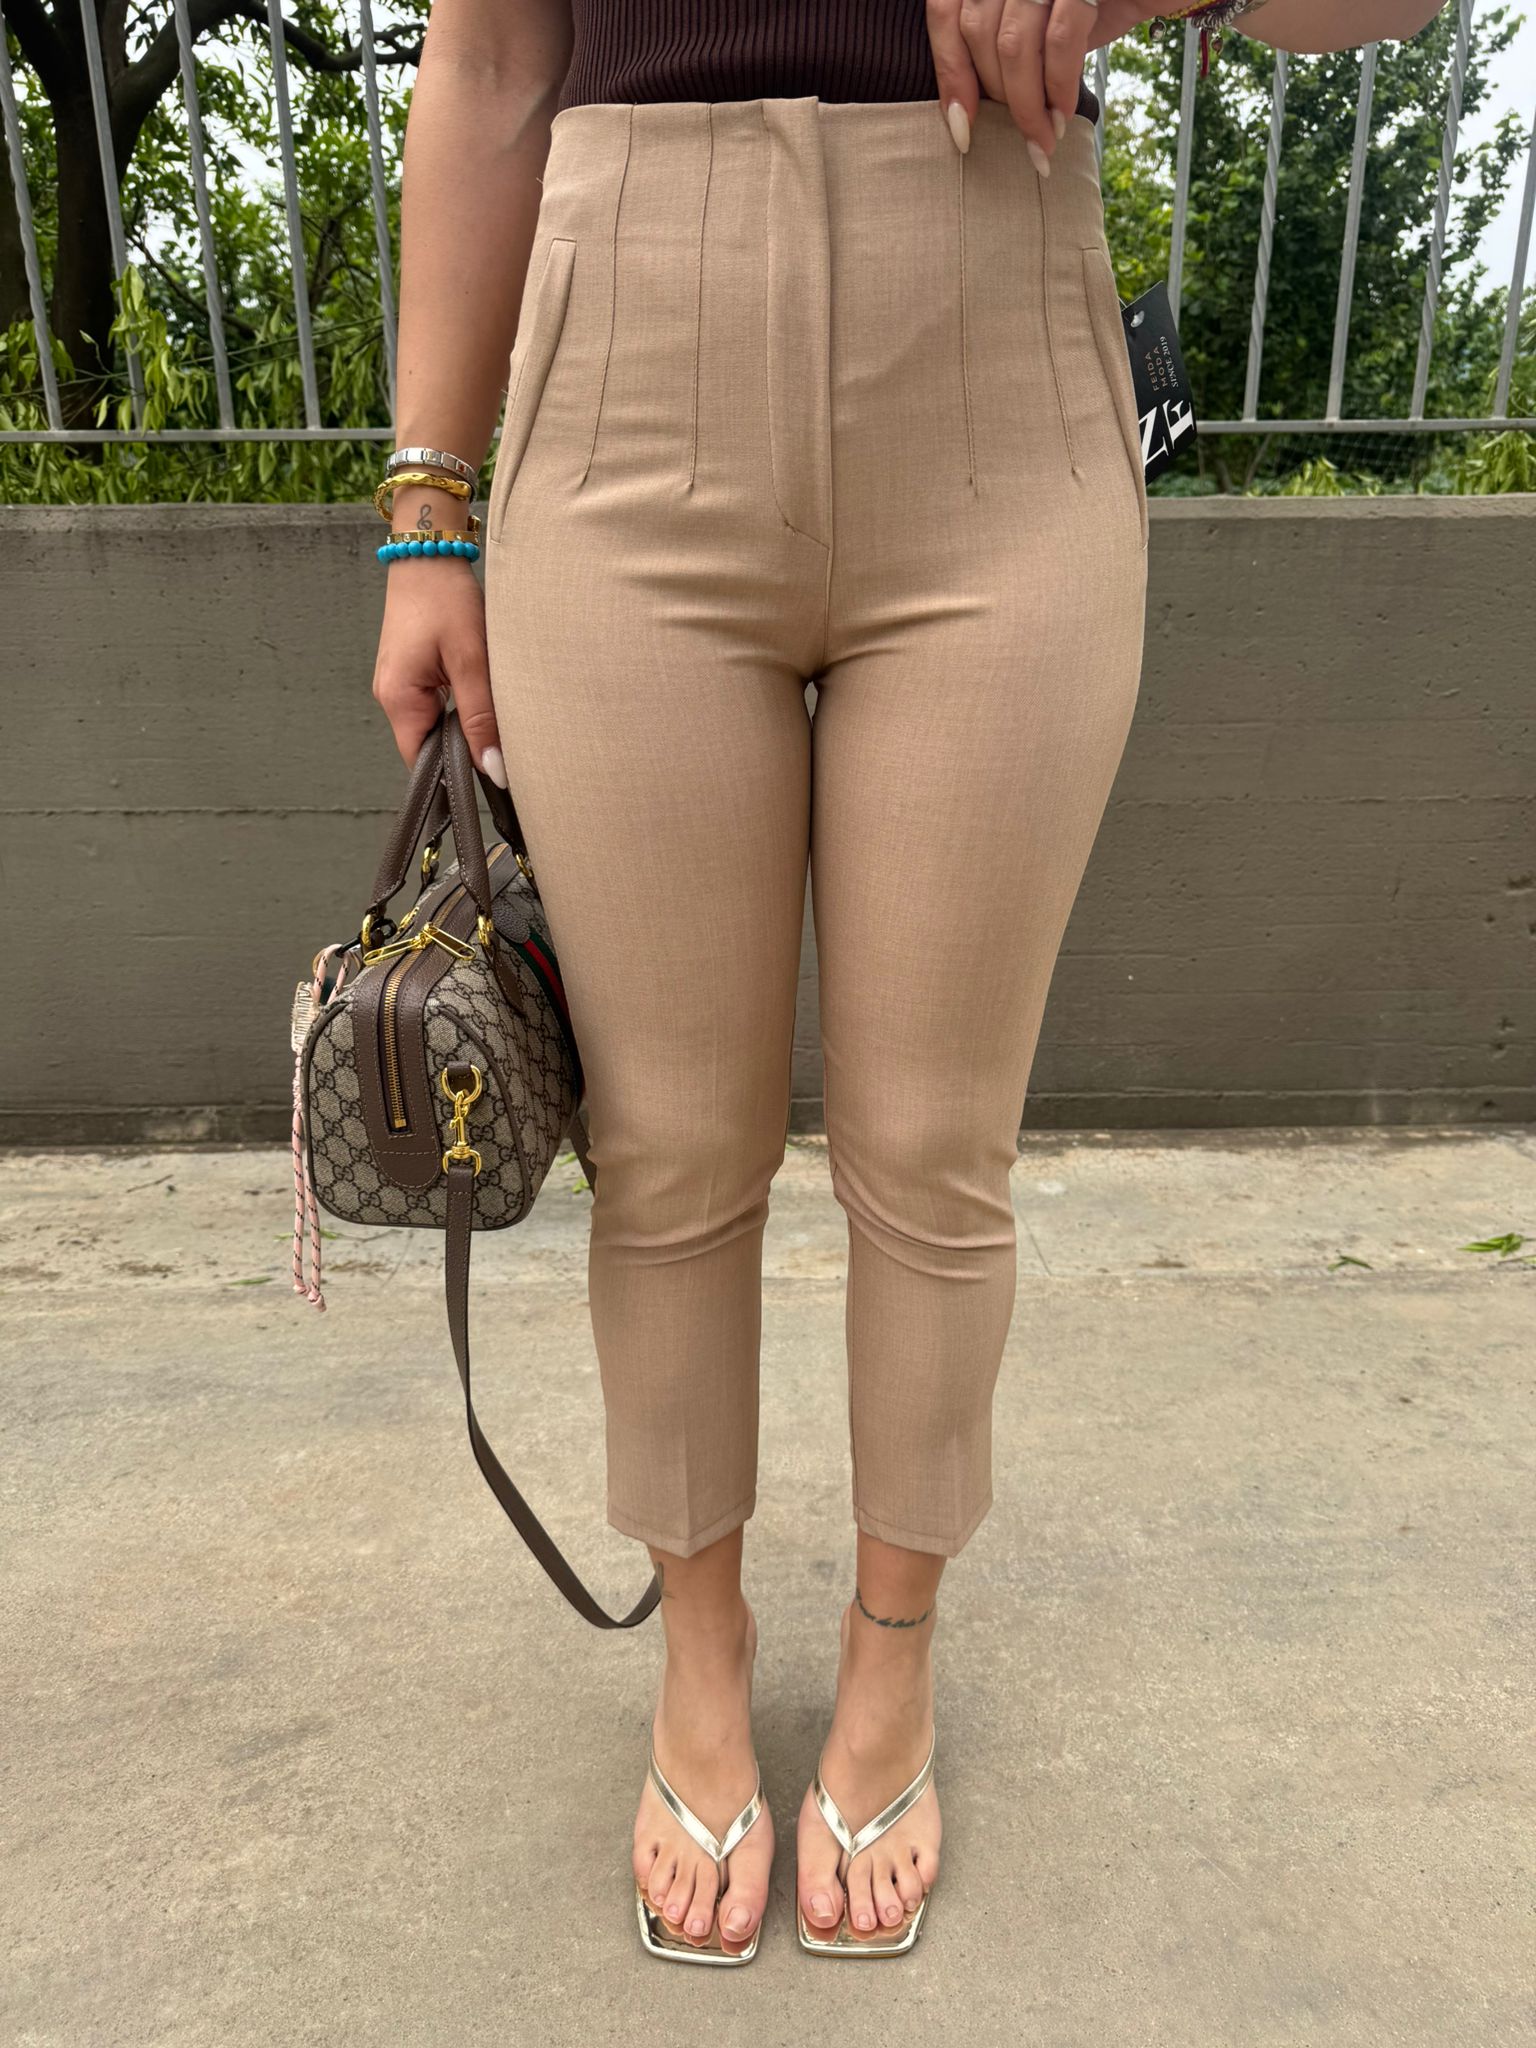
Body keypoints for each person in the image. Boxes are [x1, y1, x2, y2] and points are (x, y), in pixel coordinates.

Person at [371, 0, 1448, 1965]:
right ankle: (702, 1656)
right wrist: (426, 514)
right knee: (667, 1144)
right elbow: (497, 59)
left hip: (994, 356)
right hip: (626, 375)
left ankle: (893, 1652)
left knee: (936, 1148)